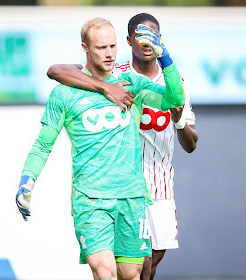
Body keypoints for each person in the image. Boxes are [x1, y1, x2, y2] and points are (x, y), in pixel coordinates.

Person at [15, 17, 185, 280]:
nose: (109, 54)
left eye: (113, 46)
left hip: (132, 198)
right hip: (90, 199)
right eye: (100, 48)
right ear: (85, 48)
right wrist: (28, 180)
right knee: (105, 272)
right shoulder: (64, 94)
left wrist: (167, 60)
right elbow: (43, 144)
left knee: (131, 274)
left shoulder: (132, 84)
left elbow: (175, 101)